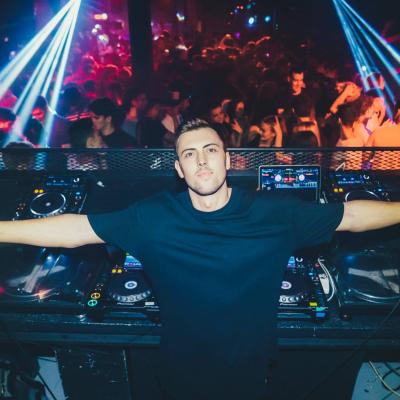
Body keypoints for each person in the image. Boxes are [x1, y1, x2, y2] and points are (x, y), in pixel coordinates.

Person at [1, 119, 400, 400]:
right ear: (179, 169)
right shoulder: (152, 218)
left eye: (211, 150)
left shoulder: (274, 215)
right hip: (181, 370)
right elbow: (75, 229)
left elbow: (351, 216)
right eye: (190, 154)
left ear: (228, 160)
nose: (202, 160)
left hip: (249, 369)